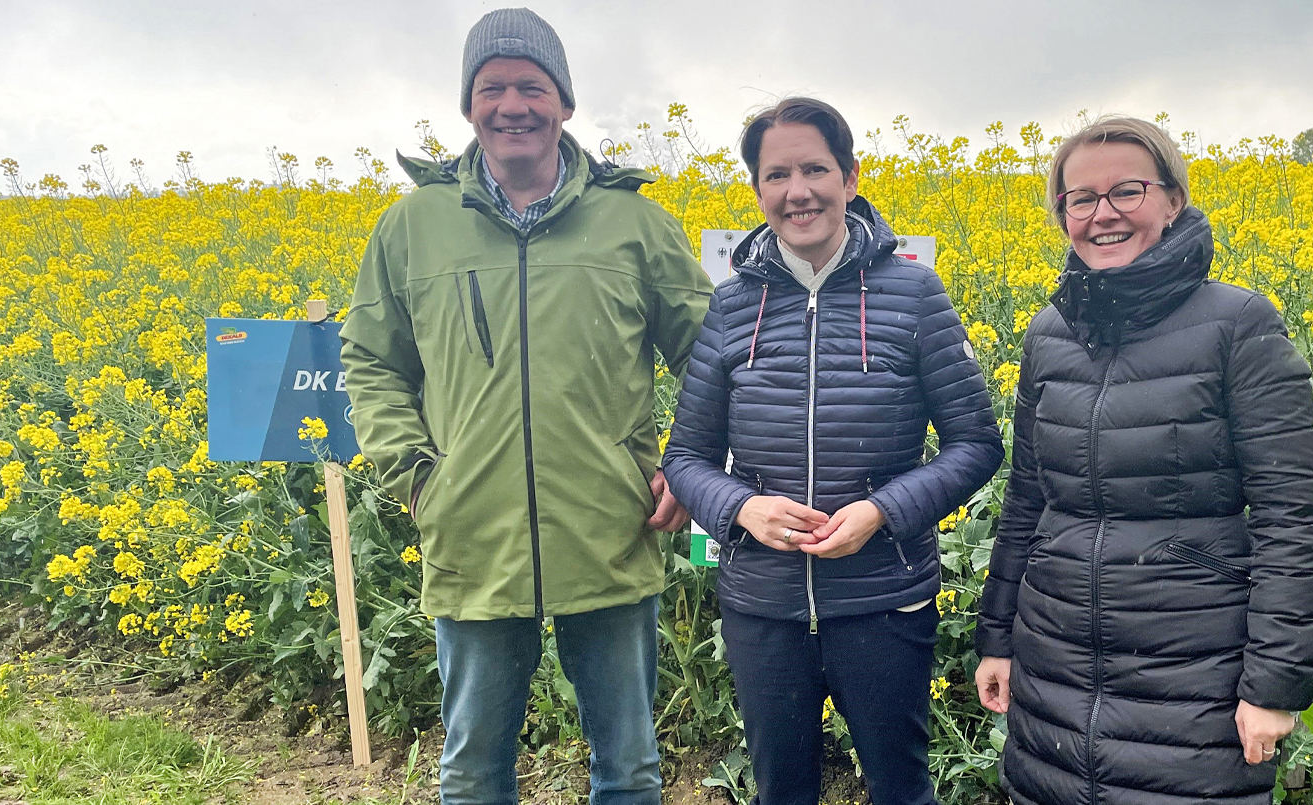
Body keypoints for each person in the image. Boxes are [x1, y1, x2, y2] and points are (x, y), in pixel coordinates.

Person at [339, 8, 713, 804]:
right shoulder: (411, 228)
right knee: (473, 769)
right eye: (493, 87)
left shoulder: (635, 224)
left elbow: (713, 355)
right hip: (471, 531)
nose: (514, 104)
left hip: (612, 526)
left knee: (630, 766)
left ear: (565, 103)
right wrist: (414, 474)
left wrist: (690, 463)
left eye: (532, 86)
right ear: (469, 106)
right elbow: (371, 360)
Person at [973, 116, 1313, 804]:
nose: (1102, 214)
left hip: (1191, 673)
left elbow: (1293, 518)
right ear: (1062, 215)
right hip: (1055, 666)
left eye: (1126, 191)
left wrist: (1273, 685)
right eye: (1081, 198)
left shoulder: (1240, 325)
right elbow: (1026, 499)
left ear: (1173, 201)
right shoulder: (1048, 335)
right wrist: (997, 637)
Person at [662, 97, 1003, 805]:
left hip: (883, 601)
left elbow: (975, 443)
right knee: (781, 791)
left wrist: (881, 511)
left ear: (850, 177)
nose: (798, 191)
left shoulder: (914, 294)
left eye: (815, 168)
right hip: (763, 607)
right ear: (757, 191)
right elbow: (686, 457)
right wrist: (744, 507)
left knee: (900, 789)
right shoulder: (729, 307)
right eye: (777, 174)